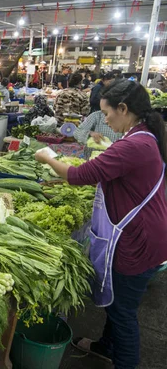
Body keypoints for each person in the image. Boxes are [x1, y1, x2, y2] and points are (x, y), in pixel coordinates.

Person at [34, 80, 167, 369]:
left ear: (124, 108)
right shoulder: (143, 135)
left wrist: (47, 156)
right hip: (145, 232)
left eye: (107, 113)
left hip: (138, 240)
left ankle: (125, 363)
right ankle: (106, 346)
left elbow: (79, 175)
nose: (104, 119)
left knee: (124, 314)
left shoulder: (135, 144)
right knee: (117, 303)